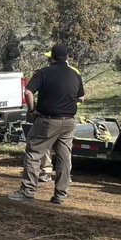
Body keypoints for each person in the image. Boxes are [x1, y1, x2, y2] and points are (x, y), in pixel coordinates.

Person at [8, 44, 85, 205]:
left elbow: (28, 92)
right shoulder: (74, 74)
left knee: (34, 153)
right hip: (69, 121)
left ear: (51, 58)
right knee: (64, 158)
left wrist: (32, 109)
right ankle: (60, 195)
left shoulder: (44, 72)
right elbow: (81, 98)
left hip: (48, 120)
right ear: (67, 57)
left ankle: (28, 191)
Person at [39, 48, 82, 182]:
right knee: (63, 148)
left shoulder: (73, 72)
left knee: (54, 146)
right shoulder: (49, 72)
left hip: (59, 114)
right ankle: (52, 172)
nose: (48, 60)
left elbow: (79, 96)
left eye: (49, 58)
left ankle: (58, 173)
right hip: (66, 115)